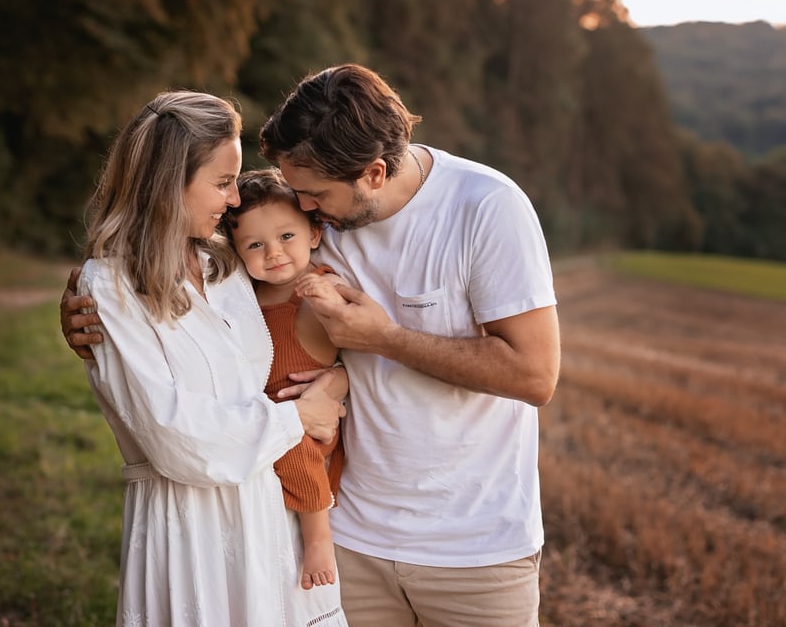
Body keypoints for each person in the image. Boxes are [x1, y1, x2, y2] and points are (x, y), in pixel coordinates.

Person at [63, 64, 561, 627]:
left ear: (372, 174)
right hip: (339, 534)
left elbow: (534, 376)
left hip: (472, 546)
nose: (300, 210)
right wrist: (90, 301)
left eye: (312, 197)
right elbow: (177, 251)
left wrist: (384, 341)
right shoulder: (290, 226)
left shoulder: (485, 207)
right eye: (294, 191)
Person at [72, 90, 349, 626]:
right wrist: (297, 417)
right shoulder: (109, 286)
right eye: (222, 183)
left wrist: (335, 379)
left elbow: (286, 332)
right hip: (188, 531)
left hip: (273, 516)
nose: (233, 200)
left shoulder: (225, 262)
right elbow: (174, 437)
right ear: (165, 184)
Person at [223, 168, 348, 591]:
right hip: (263, 420)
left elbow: (356, 347)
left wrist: (338, 379)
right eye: (255, 245)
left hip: (307, 428)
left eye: (286, 237)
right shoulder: (241, 297)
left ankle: (319, 538)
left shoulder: (319, 285)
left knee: (290, 441)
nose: (273, 252)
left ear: (314, 233)